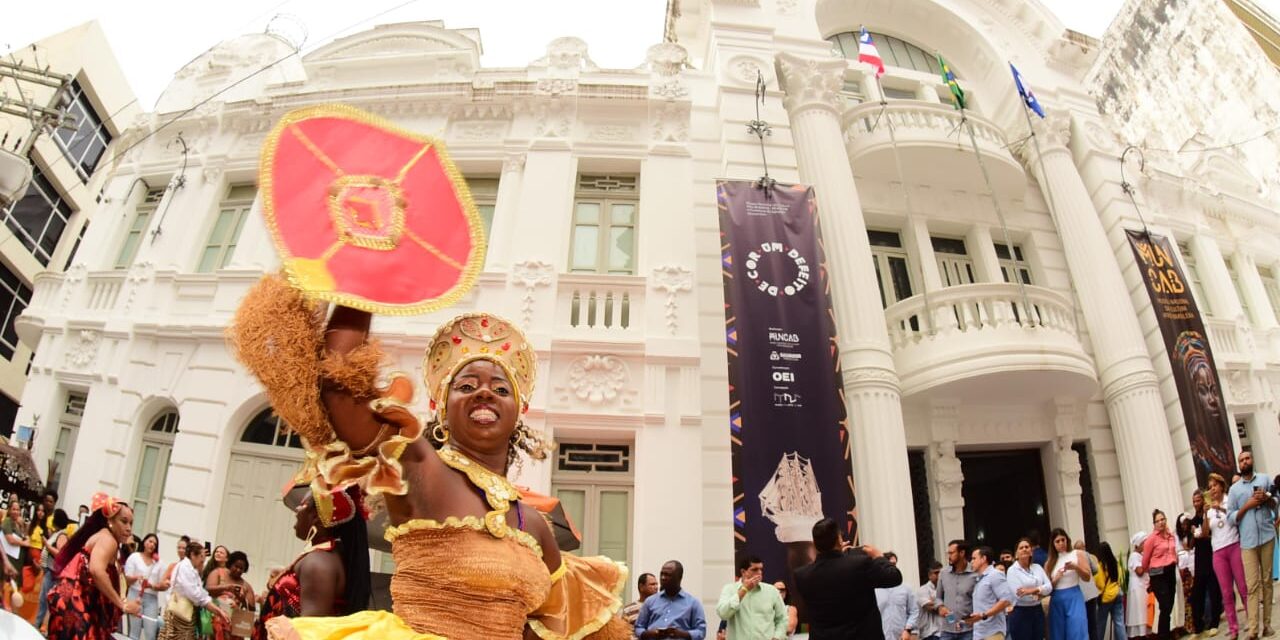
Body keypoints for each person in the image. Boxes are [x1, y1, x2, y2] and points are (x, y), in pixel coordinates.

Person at [232, 276, 631, 639]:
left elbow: (548, 625)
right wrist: (362, 277)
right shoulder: (421, 467)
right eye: (467, 385)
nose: (484, 393)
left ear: (519, 414)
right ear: (442, 407)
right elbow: (341, 392)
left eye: (500, 388)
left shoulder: (534, 525)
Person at [252, 484, 372, 640]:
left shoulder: (319, 562)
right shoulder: (321, 556)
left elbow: (310, 633)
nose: (297, 510)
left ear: (316, 516)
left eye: (303, 505)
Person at [45, 493, 142, 639]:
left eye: (131, 523)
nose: (129, 528)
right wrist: (122, 604)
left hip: (76, 607)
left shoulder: (106, 538)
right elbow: (96, 571)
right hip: (76, 608)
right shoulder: (109, 540)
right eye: (124, 521)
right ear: (110, 521)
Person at [793, 517, 902, 640]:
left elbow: (827, 574)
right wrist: (879, 557)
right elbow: (894, 577)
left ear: (815, 544)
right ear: (839, 539)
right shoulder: (860, 564)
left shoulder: (802, 575)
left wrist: (841, 556)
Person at [1226, 451, 1275, 640]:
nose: (1244, 462)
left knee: (1267, 582)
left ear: (1252, 460)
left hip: (1267, 536)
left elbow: (1275, 502)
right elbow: (1230, 517)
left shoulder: (1264, 479)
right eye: (1241, 460)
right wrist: (1247, 505)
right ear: (1238, 464)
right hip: (1247, 543)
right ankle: (1253, 629)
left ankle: (1268, 625)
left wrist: (1266, 499)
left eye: (1247, 459)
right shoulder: (1234, 490)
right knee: (1252, 585)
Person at [158, 540, 229, 640]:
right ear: (192, 555)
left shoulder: (192, 569)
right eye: (201, 557)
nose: (202, 560)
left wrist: (217, 610)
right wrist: (217, 610)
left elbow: (199, 592)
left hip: (186, 615)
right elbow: (196, 595)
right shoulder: (185, 567)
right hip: (179, 615)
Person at [1208, 472, 1248, 640]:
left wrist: (1221, 508)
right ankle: (1233, 628)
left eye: (1215, 486)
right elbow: (1205, 532)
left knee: (1243, 587)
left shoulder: (1229, 499)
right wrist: (1205, 514)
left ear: (1221, 486)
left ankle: (1251, 620)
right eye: (1210, 487)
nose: (1212, 490)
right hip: (1218, 551)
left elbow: (1236, 518)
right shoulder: (1209, 509)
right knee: (1226, 593)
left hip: (1234, 545)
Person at [716, 554, 786, 640]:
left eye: (761, 569)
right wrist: (743, 590)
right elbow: (723, 614)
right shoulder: (729, 589)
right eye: (755, 569)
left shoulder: (771, 591)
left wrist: (777, 637)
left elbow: (782, 619)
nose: (759, 572)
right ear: (743, 572)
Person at [635, 560, 706, 639]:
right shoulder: (650, 601)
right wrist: (650, 634)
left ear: (679, 577)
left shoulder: (693, 603)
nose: (663, 578)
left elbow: (701, 632)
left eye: (668, 575)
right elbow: (638, 627)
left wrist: (681, 634)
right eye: (661, 574)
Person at [1189, 489, 1223, 636]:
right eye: (1194, 501)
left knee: (1214, 590)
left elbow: (1205, 534)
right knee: (1197, 593)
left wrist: (1204, 516)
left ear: (1203, 500)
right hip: (1199, 558)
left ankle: (1214, 622)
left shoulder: (1209, 515)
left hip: (1211, 555)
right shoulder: (1192, 521)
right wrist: (1192, 535)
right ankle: (1198, 627)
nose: (1196, 503)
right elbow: (1192, 542)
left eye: (1198, 500)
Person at [1138, 510, 1177, 640]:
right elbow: (1145, 561)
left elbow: (1173, 552)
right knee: (1165, 605)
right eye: (1157, 521)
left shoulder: (1170, 535)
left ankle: (1165, 633)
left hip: (1170, 571)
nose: (1161, 522)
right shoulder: (1151, 539)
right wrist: (1149, 572)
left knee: (1169, 605)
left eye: (1162, 519)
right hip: (1158, 574)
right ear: (1154, 523)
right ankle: (1163, 636)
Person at [1047, 528, 1091, 640]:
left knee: (1077, 629)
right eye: (1057, 541)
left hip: (1074, 595)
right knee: (1058, 633)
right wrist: (1055, 579)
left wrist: (1076, 567)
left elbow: (1087, 577)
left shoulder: (1077, 554)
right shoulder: (1049, 563)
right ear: (1053, 544)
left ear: (1067, 540)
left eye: (1063, 540)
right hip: (1057, 598)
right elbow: (1047, 588)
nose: (1061, 543)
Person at [1005, 537, 1051, 640]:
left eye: (1027, 547)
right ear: (1016, 554)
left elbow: (1049, 587)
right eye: (1021, 548)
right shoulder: (1012, 571)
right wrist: (1040, 594)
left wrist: (1032, 591)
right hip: (1021, 613)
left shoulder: (1038, 567)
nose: (1025, 549)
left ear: (1031, 552)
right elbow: (1019, 595)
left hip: (1038, 611)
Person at [965, 547, 1014, 640]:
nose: (971, 562)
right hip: (979, 633)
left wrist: (984, 615)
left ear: (983, 559)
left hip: (992, 633)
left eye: (974, 558)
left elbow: (1006, 600)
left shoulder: (995, 574)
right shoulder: (979, 578)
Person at [35, 508, 72, 631]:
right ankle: (39, 624)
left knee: (45, 601)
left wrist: (47, 545)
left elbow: (60, 554)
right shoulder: (57, 533)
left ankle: (40, 626)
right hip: (49, 572)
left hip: (52, 574)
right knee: (42, 600)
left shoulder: (61, 535)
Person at [206, 550, 256, 640]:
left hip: (234, 626)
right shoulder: (218, 573)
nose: (238, 570)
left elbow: (252, 609)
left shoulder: (246, 586)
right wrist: (227, 587)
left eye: (241, 568)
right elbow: (208, 590)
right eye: (236, 566)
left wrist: (242, 600)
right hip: (214, 620)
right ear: (230, 564)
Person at [937, 539, 980, 640]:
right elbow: (938, 597)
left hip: (969, 630)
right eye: (948, 553)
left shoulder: (975, 574)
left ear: (962, 553)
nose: (949, 556)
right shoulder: (943, 573)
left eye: (952, 553)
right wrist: (940, 607)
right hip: (947, 629)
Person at [125, 533, 165, 640]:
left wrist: (151, 585)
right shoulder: (134, 557)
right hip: (135, 595)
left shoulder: (159, 563)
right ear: (144, 542)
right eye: (150, 541)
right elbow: (127, 580)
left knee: (151, 631)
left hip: (151, 599)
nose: (152, 545)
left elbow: (163, 584)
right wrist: (137, 577)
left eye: (155, 544)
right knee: (134, 631)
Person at [876, 551, 920, 640]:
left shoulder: (906, 588)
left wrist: (908, 629)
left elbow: (914, 611)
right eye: (890, 564)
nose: (893, 567)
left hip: (901, 636)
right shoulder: (875, 589)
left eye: (895, 564)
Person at [1095, 542, 1127, 640]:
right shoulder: (1115, 563)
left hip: (1106, 597)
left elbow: (1099, 583)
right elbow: (1121, 576)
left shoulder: (1100, 566)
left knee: (1101, 624)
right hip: (1118, 593)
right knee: (1119, 622)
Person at [1175, 515, 1197, 636]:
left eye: (1186, 524)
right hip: (1183, 571)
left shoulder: (1191, 535)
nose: (1184, 527)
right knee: (1186, 599)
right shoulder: (1177, 538)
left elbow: (1191, 548)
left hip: (1192, 567)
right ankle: (1188, 625)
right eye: (1182, 524)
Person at [1076, 540, 1102, 640]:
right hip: (1091, 592)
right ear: (1084, 547)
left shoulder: (1072, 557)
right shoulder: (1086, 555)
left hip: (1081, 594)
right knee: (1093, 623)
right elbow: (1095, 570)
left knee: (1084, 623)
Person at [1126, 533, 1151, 640]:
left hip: (1143, 587)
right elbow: (1139, 571)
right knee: (1139, 612)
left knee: (1144, 611)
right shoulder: (1134, 556)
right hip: (1137, 588)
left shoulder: (1140, 555)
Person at [917, 561, 945, 640]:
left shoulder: (947, 588)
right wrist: (944, 604)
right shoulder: (923, 590)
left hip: (945, 632)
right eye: (936, 573)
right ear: (929, 575)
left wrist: (935, 601)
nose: (939, 575)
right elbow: (929, 607)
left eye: (941, 573)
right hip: (930, 634)